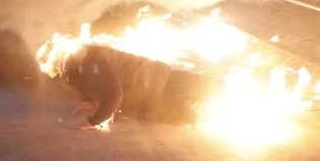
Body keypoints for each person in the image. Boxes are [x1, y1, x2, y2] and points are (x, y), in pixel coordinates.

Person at [61, 44, 214, 129]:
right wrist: (91, 102)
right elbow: (106, 83)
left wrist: (91, 121)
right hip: (164, 84)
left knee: (216, 97)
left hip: (162, 89)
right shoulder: (93, 57)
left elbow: (114, 94)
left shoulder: (92, 62)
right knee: (214, 100)